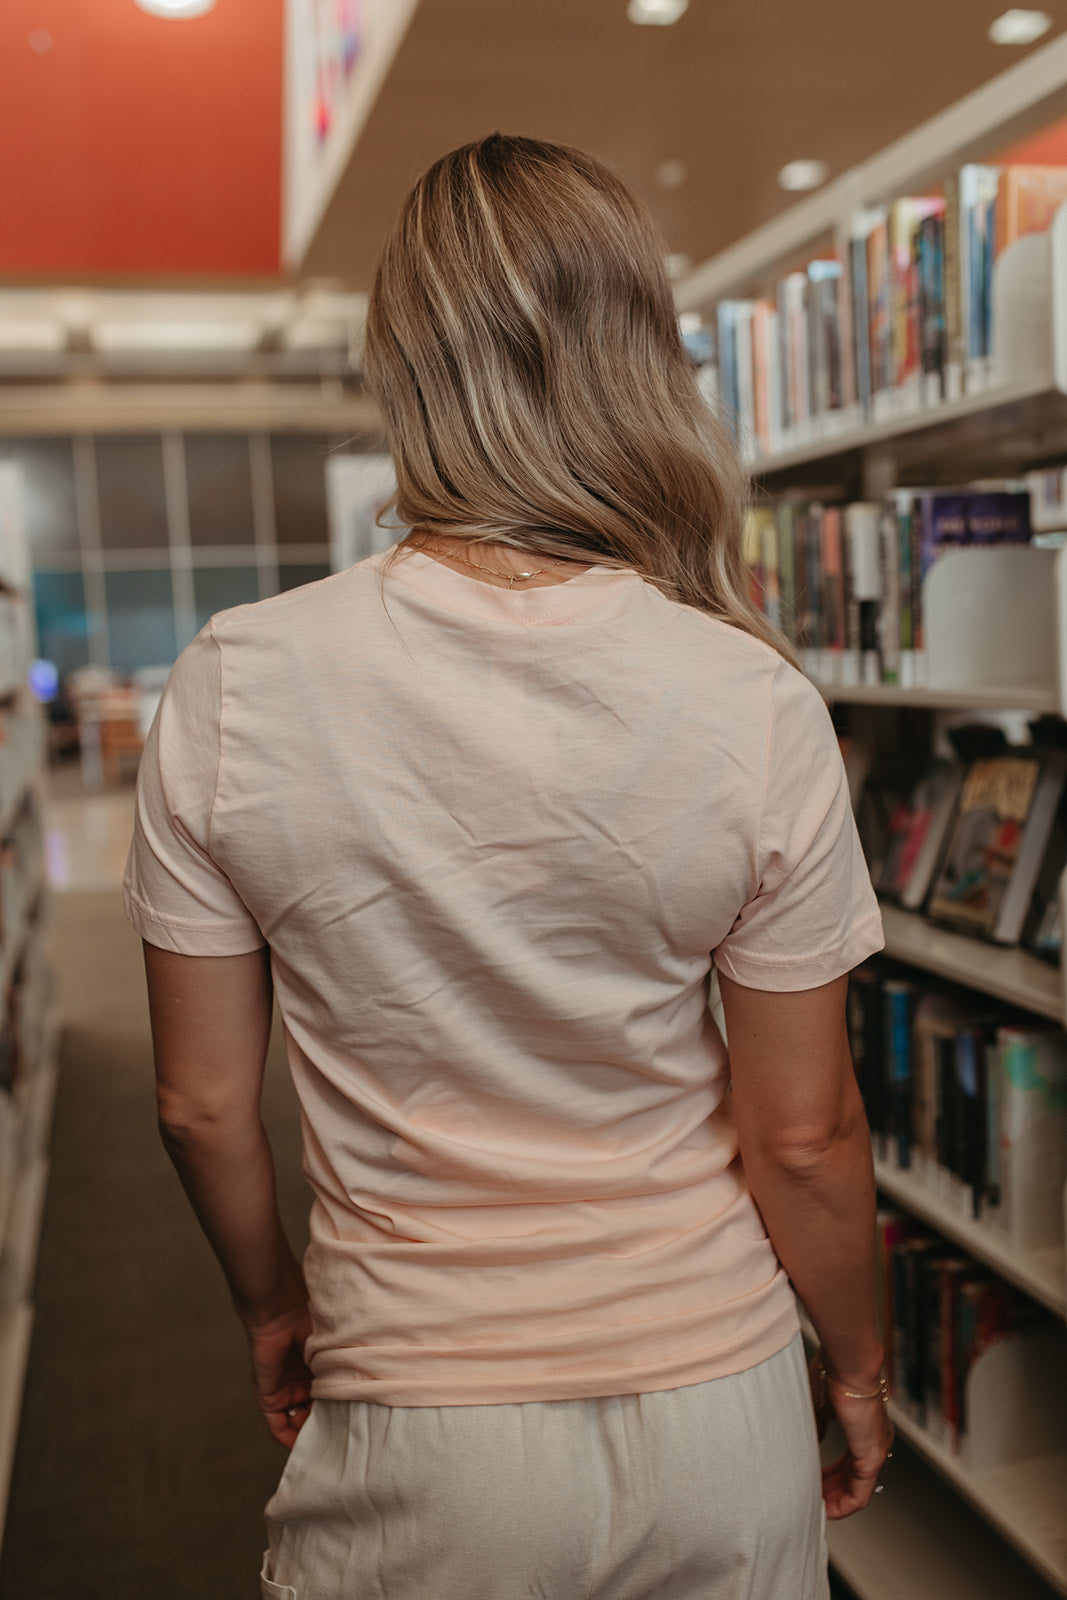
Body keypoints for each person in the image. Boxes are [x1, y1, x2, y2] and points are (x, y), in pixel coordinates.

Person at [123, 133, 892, 1600]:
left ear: (404, 368)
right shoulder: (750, 696)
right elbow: (803, 1137)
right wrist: (854, 1366)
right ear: (641, 366)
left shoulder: (242, 681)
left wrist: (272, 1305)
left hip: (419, 1411)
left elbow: (203, 1103)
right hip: (714, 1406)